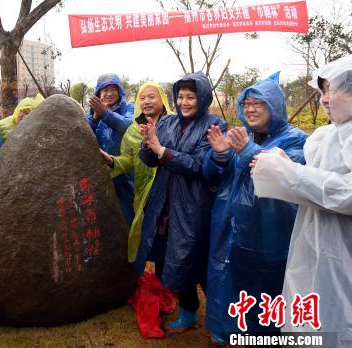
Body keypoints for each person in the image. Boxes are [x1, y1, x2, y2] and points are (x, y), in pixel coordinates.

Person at [250, 55, 352, 346]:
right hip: (312, 239)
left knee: (341, 316)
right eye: (323, 91)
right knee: (313, 310)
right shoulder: (324, 136)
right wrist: (287, 170)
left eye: (335, 89)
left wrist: (292, 173)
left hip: (345, 245)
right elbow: (314, 184)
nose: (326, 99)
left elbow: (347, 193)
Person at [202, 72, 308, 343]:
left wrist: (248, 151)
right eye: (246, 103)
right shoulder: (240, 135)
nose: (250, 108)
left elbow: (291, 176)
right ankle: (232, 330)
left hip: (272, 231)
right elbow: (214, 177)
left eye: (257, 103)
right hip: (234, 226)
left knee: (269, 287)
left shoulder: (296, 139)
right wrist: (219, 156)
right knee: (235, 283)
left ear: (274, 105)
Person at [134, 72, 227, 332]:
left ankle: (220, 322)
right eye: (181, 97)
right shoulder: (168, 123)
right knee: (169, 260)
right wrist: (147, 144)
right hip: (164, 203)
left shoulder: (214, 125)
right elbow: (150, 160)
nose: (185, 102)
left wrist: (162, 150)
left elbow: (198, 165)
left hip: (195, 206)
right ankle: (188, 313)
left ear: (203, 98)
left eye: (191, 97)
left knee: (203, 264)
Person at [100, 82, 171, 263]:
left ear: (162, 100)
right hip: (143, 197)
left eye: (152, 97)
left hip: (170, 197)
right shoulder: (133, 130)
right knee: (150, 243)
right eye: (143, 98)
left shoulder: (174, 125)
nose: (146, 101)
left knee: (169, 244)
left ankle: (172, 288)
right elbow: (127, 161)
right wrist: (111, 160)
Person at [86, 73, 135, 226]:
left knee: (127, 214)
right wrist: (94, 119)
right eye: (104, 90)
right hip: (102, 171)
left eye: (113, 89)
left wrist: (105, 113)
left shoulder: (129, 108)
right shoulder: (93, 113)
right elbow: (84, 135)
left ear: (120, 91)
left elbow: (128, 126)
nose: (109, 93)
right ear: (98, 94)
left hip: (125, 172)